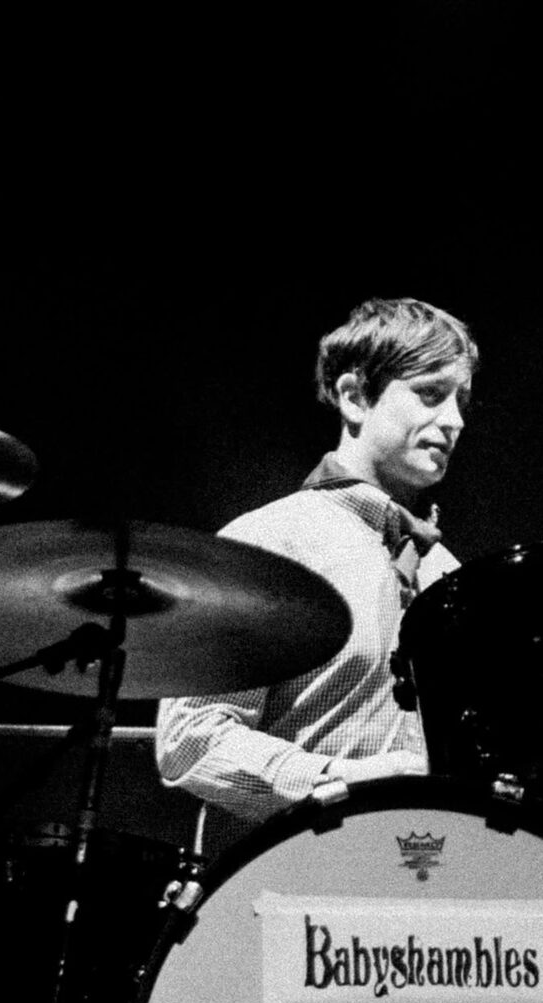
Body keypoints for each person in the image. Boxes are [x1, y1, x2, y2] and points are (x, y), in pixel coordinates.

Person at [154, 297, 475, 848]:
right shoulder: (270, 543)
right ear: (353, 397)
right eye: (430, 394)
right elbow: (192, 740)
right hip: (293, 883)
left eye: (463, 401)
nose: (454, 421)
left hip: (425, 881)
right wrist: (339, 782)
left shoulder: (447, 571)